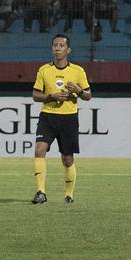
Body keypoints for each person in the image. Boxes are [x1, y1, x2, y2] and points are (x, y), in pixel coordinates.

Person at [31, 34, 92, 205]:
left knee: (67, 159)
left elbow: (88, 96)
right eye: (55, 45)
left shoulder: (78, 71)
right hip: (48, 117)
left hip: (68, 118)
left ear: (68, 50)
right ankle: (40, 192)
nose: (57, 48)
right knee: (39, 149)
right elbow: (35, 95)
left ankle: (69, 195)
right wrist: (51, 96)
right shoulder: (44, 70)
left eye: (61, 46)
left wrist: (79, 91)